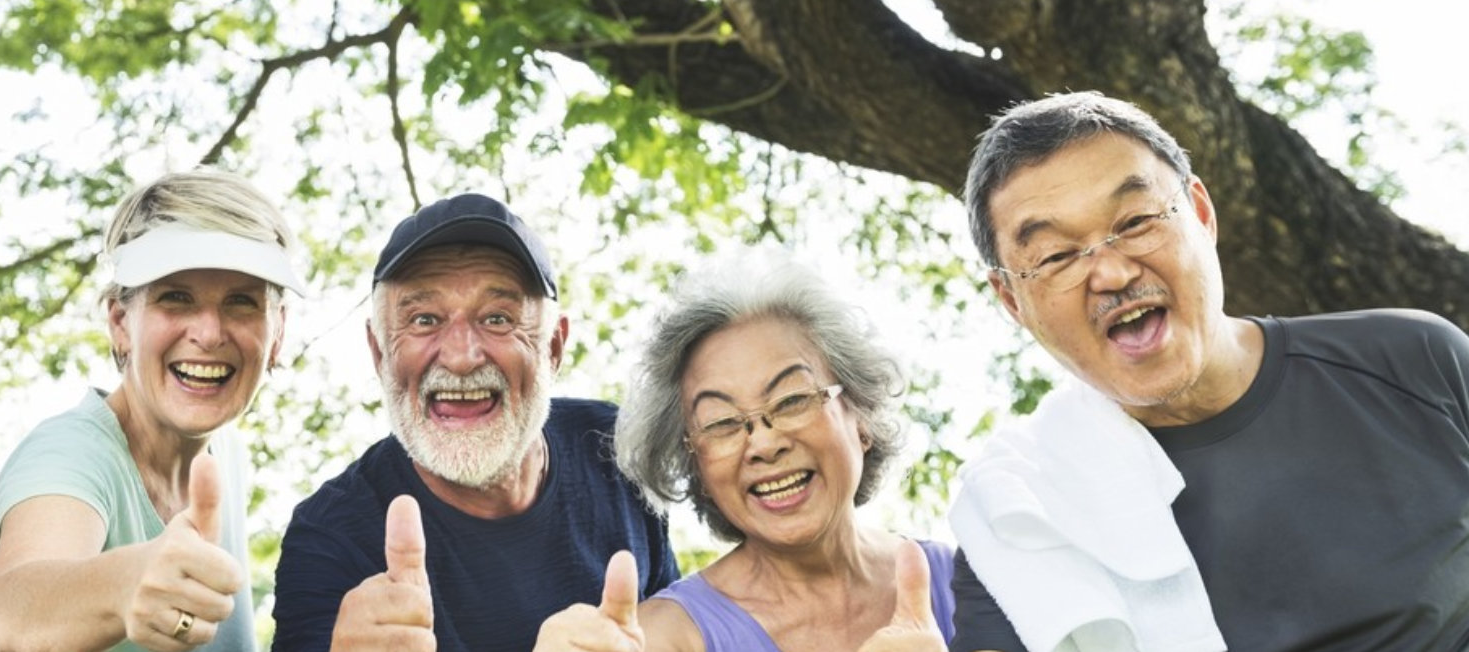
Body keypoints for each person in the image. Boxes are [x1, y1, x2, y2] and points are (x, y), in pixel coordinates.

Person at [948, 91, 1469, 651]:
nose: (1113, 273)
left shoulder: (1415, 360)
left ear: (1200, 212)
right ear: (1010, 300)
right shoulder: (1021, 521)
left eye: (1136, 221)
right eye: (1055, 256)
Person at [270, 193, 679, 652]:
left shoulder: (617, 450)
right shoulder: (330, 537)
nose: (462, 357)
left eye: (497, 318)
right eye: (424, 320)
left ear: (553, 349)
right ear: (379, 352)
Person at [533, 253, 952, 651]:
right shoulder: (664, 638)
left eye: (792, 400)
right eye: (721, 424)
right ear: (698, 471)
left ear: (860, 417)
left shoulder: (970, 582)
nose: (764, 444)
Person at [0, 170, 304, 652]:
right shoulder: (70, 454)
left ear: (278, 332)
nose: (209, 332)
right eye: (176, 298)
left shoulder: (224, 454)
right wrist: (124, 585)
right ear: (121, 322)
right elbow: (19, 616)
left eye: (242, 302)